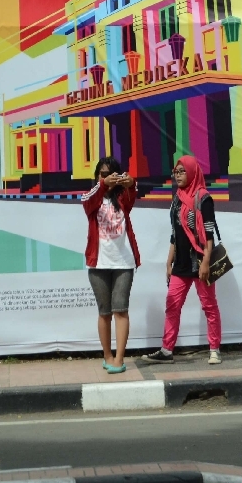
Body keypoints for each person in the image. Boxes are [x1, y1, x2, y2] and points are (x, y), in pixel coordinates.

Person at [142, 155, 223, 365]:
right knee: (172, 305)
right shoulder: (177, 197)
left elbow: (209, 234)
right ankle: (167, 350)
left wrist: (205, 262)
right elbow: (175, 234)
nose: (177, 175)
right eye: (175, 172)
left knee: (209, 306)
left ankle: (214, 349)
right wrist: (168, 262)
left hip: (200, 262)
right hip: (180, 264)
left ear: (192, 172)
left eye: (181, 171)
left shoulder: (204, 198)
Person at [81, 157, 139, 375]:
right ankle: (107, 355)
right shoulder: (91, 198)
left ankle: (119, 358)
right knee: (104, 312)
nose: (106, 177)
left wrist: (130, 182)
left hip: (124, 263)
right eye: (102, 174)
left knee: (121, 310)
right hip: (98, 264)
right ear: (97, 176)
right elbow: (87, 201)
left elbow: (133, 190)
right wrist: (104, 184)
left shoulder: (123, 199)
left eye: (110, 173)